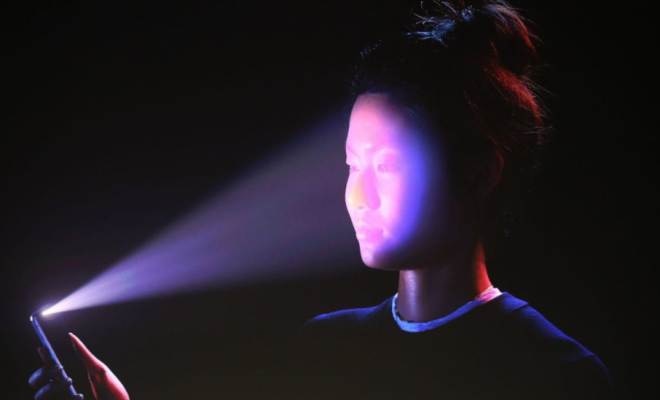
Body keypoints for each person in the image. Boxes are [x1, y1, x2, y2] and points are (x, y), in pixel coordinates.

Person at [29, 1, 612, 399]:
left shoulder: (557, 376)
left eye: (387, 165)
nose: (358, 194)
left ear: (480, 172)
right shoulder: (323, 346)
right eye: (352, 164)